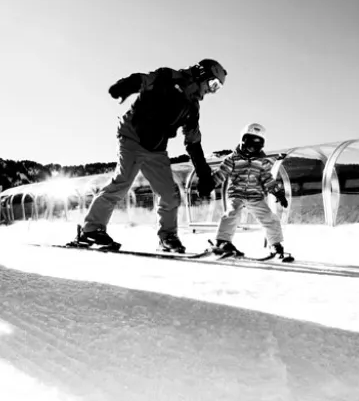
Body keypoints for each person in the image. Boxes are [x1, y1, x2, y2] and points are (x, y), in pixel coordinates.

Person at [73, 58, 226, 252]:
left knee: (170, 195)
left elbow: (193, 142)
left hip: (156, 149)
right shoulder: (168, 76)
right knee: (121, 184)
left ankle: (168, 237)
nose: (211, 91)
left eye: (217, 88)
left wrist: (204, 175)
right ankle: (91, 231)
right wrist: (128, 84)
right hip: (132, 137)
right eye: (213, 84)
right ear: (202, 74)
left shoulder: (193, 107)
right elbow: (145, 79)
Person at [209, 123, 292, 260]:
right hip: (236, 194)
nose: (251, 149)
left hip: (255, 197)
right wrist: (209, 185)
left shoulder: (262, 162)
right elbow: (221, 173)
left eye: (256, 147)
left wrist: (278, 193)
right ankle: (222, 241)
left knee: (270, 218)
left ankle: (275, 245)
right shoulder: (232, 159)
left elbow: (267, 179)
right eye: (249, 144)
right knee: (232, 214)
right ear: (242, 140)